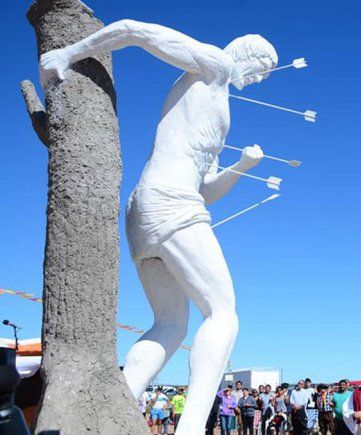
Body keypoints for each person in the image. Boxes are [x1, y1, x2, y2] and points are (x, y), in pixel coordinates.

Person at [39, 18, 278, 435]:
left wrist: (241, 167)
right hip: (169, 203)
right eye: (263, 69)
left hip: (147, 212)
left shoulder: (215, 96)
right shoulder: (216, 64)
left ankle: (114, 409)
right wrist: (67, 53)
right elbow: (136, 30)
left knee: (171, 324)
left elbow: (206, 190)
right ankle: (190, 429)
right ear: (248, 54)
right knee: (223, 314)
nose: (260, 79)